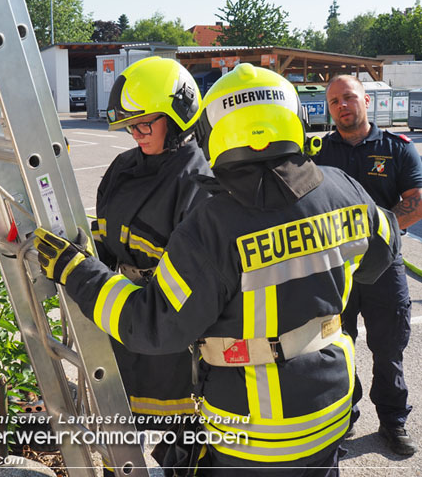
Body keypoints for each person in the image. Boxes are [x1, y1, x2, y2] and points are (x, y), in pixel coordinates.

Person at [34, 63, 401, 475]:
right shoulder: (343, 188)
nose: (135, 134)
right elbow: (381, 258)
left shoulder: (214, 224)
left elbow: (153, 323)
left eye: (143, 123)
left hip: (254, 431)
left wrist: (75, 271)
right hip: (330, 410)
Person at [91, 56, 213, 473]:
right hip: (121, 319)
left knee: (185, 440)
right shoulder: (123, 168)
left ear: (178, 114)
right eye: (130, 125)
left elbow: (193, 283)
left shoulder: (198, 181)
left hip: (170, 334)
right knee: (118, 431)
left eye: (146, 123)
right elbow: (105, 233)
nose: (136, 133)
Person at [312, 74, 422, 456]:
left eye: (348, 97)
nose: (342, 106)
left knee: (388, 346)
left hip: (384, 265)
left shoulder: (398, 149)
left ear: (366, 101)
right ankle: (342, 422)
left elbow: (416, 200)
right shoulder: (319, 153)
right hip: (335, 266)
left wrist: (378, 233)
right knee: (335, 346)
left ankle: (393, 421)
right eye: (334, 102)